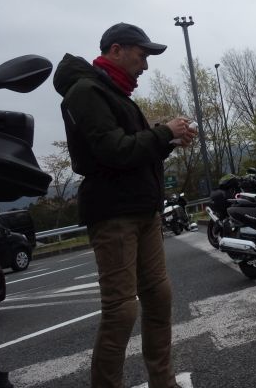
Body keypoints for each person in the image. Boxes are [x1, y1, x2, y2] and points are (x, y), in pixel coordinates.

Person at [53, 22, 197, 388]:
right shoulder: (86, 91)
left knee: (159, 298)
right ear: (116, 50)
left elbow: (133, 149)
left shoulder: (114, 92)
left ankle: (163, 381)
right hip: (113, 213)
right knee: (121, 310)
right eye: (142, 55)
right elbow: (113, 150)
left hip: (143, 208)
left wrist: (169, 139)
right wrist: (164, 132)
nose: (145, 65)